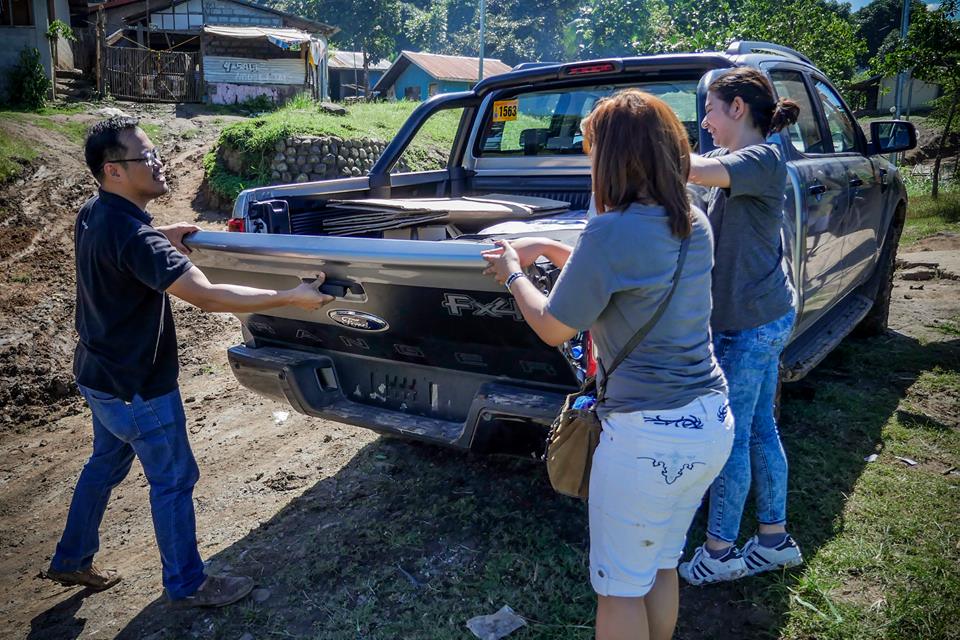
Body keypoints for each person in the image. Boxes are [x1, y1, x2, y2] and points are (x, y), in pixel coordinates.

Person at [44, 116, 334, 608]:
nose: (157, 163)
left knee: (104, 464)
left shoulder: (96, 212)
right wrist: (292, 296)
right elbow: (210, 297)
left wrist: (161, 234)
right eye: (145, 157)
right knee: (174, 479)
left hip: (98, 375)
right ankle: (188, 582)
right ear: (114, 170)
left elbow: (130, 249)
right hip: (139, 386)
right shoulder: (140, 240)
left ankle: (72, 558)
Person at [482, 90, 731, 640]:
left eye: (593, 151)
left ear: (615, 157)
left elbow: (554, 325)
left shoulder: (610, 230)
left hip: (646, 436)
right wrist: (548, 245)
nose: (589, 161)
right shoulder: (691, 220)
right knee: (661, 564)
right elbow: (630, 279)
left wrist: (512, 273)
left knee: (619, 590)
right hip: (708, 423)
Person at [678, 68, 803, 585]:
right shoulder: (745, 163)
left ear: (737, 108)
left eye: (709, 108)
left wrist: (634, 143)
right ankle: (773, 539)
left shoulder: (763, 157)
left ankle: (721, 550)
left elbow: (692, 170)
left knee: (731, 436)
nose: (704, 121)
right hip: (763, 315)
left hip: (749, 325)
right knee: (758, 429)